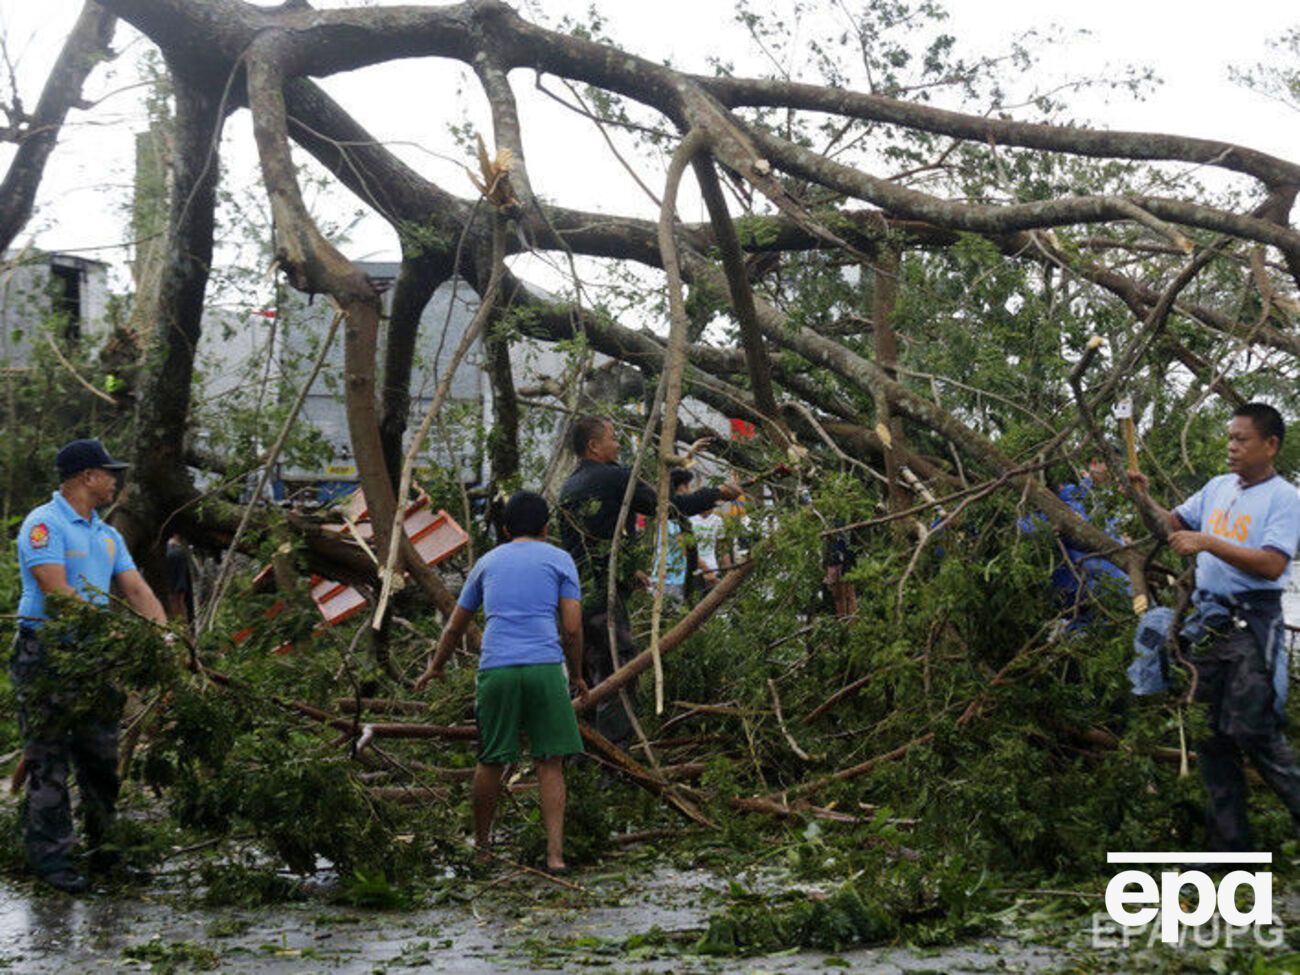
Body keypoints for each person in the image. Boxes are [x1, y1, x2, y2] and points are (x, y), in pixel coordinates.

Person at [1131, 403, 1300, 854]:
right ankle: (1229, 849)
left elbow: (1272, 564)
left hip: (1251, 624)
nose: (1231, 447)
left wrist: (1208, 541)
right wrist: (1144, 497)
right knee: (1212, 737)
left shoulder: (1285, 498)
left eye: (1241, 439)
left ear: (1270, 445)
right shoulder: (1218, 487)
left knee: (1254, 731)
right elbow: (1172, 525)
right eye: (1230, 438)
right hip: (1209, 623)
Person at [12, 438, 168, 893]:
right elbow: (56, 590)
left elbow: (137, 589)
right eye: (108, 472)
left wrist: (165, 637)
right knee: (49, 761)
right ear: (87, 477)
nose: (114, 480)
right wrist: (105, 631)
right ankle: (53, 863)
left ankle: (106, 856)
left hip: (94, 660)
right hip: (47, 654)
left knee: (101, 759)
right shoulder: (44, 525)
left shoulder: (107, 534)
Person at [415, 491, 587, 874]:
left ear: (506, 528)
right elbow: (572, 630)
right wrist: (576, 675)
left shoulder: (487, 563)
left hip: (497, 668)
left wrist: (435, 667)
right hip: (545, 666)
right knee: (550, 763)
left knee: (491, 760)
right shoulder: (560, 560)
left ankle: (482, 848)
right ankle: (555, 855)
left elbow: (456, 624)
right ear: (546, 526)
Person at [557, 416, 741, 745]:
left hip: (574, 596)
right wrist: (718, 493)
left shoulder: (569, 487)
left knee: (584, 678)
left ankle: (579, 756)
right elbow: (671, 506)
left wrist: (629, 571)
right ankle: (617, 763)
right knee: (618, 675)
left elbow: (593, 542)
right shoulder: (614, 479)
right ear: (594, 446)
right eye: (613, 437)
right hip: (604, 597)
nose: (618, 444)